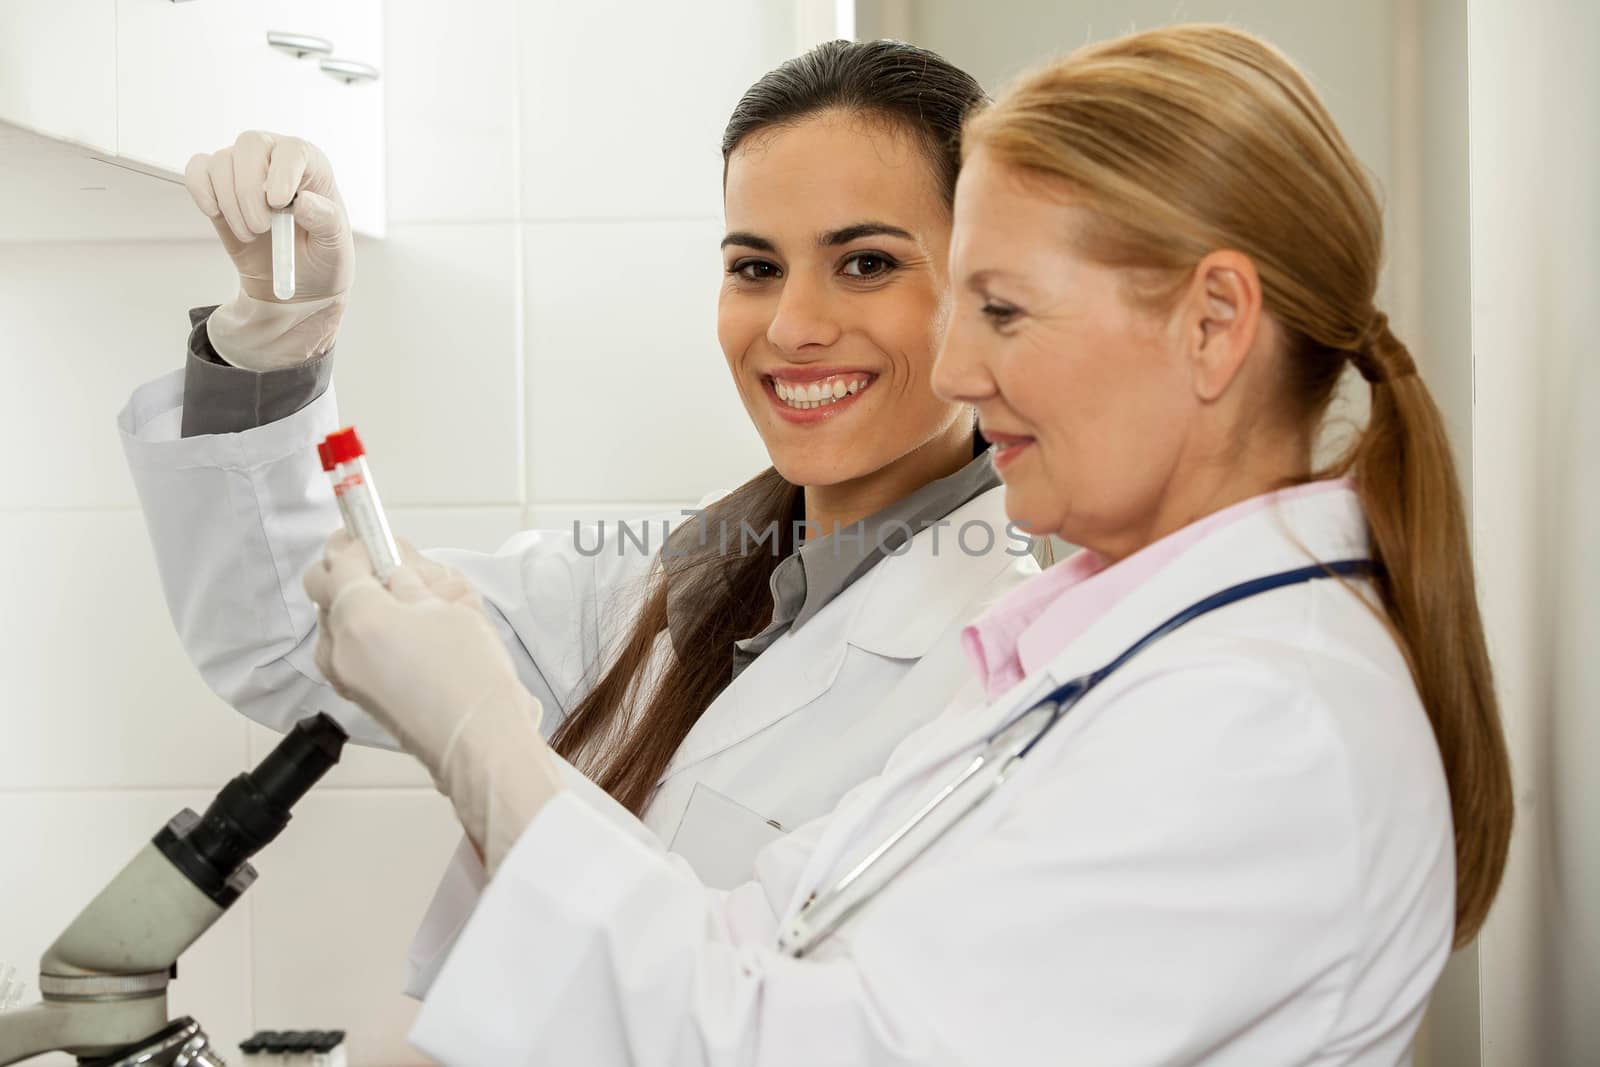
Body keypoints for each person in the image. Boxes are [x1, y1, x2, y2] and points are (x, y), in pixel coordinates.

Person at [302, 23, 1514, 1065]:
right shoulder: (1106, 658)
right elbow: (755, 942)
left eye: (1002, 309)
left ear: (1210, 325)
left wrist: (486, 747)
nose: (957, 365)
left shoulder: (1262, 722)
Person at [118, 40, 1037, 994]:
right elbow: (286, 639)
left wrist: (485, 736)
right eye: (755, 267)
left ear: (982, 287)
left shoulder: (1000, 676)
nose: (793, 325)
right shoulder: (649, 585)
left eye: (866, 262)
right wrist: (272, 344)